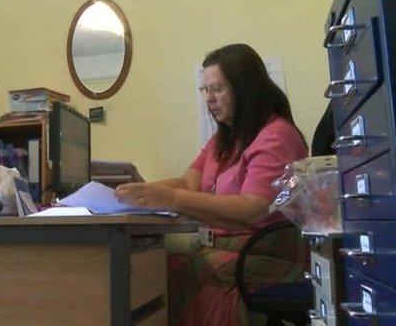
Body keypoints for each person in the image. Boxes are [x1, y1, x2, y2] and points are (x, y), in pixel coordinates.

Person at [115, 43, 308, 326]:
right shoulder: (223, 139)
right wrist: (134, 194)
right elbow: (187, 183)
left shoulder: (276, 135)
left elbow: (252, 208)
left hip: (266, 254)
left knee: (164, 273)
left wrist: (169, 198)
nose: (209, 99)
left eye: (217, 89)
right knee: (158, 266)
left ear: (245, 90)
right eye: (205, 90)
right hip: (231, 250)